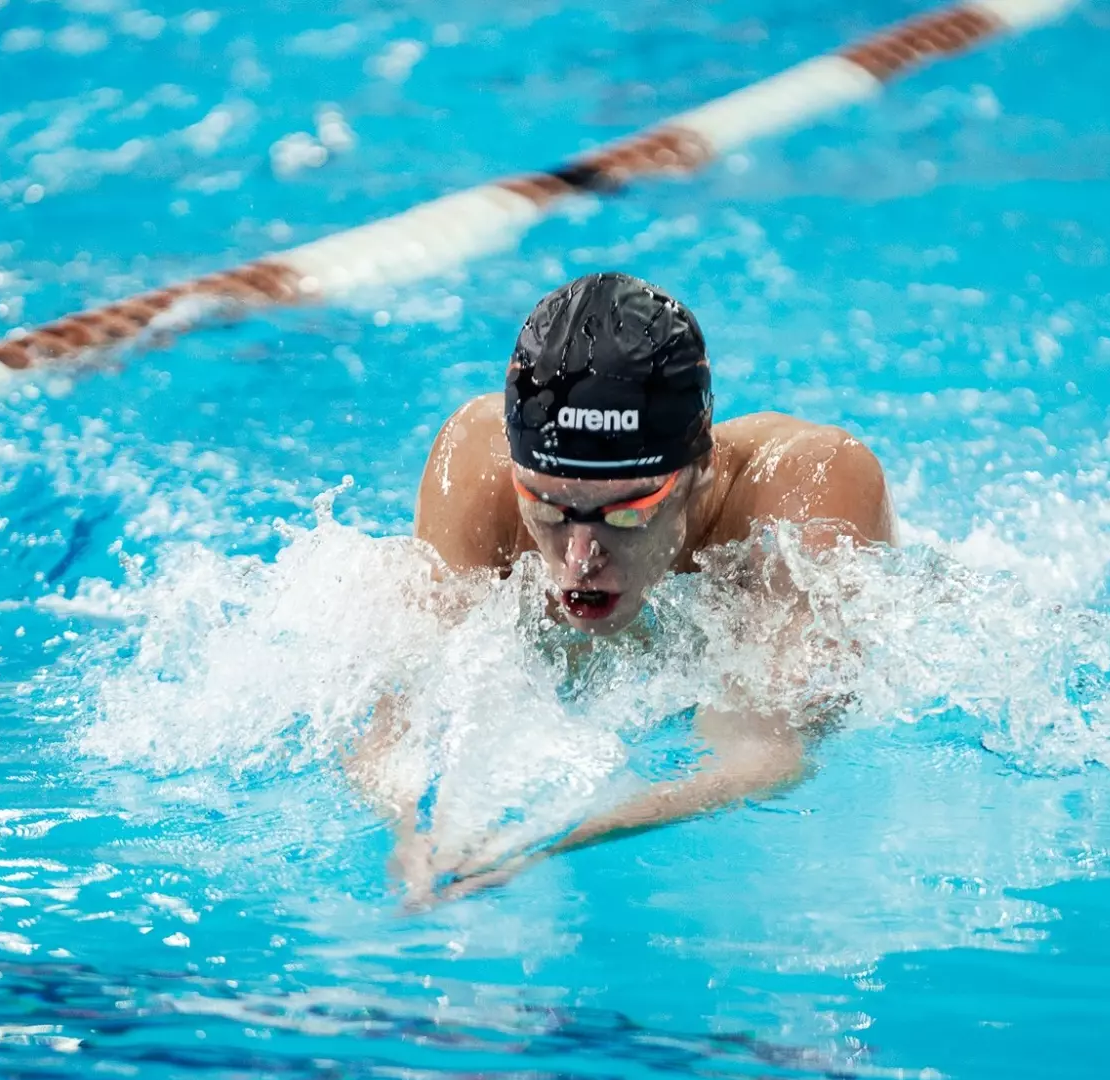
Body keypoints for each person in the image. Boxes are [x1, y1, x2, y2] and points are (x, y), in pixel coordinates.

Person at [349, 271, 894, 902]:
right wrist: (415, 829)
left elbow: (761, 749)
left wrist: (549, 838)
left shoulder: (805, 495)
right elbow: (396, 713)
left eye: (627, 512)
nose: (580, 559)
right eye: (549, 508)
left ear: (701, 469)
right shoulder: (478, 469)